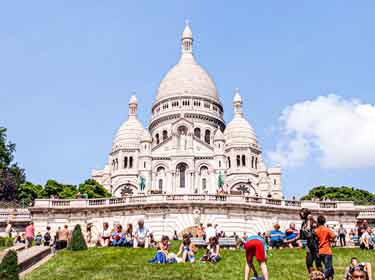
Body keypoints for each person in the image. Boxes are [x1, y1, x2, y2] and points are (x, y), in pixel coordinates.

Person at [300, 208, 321, 274]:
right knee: (308, 262)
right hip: (308, 245)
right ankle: (312, 276)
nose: (301, 214)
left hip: (315, 244)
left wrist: (309, 221)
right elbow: (302, 235)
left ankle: (321, 277)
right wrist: (304, 245)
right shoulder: (303, 223)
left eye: (302, 213)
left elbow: (313, 232)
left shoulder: (314, 222)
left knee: (318, 263)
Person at [315, 215, 336, 280]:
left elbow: (315, 239)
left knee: (331, 269)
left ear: (317, 222)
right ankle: (321, 277)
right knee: (328, 268)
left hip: (319, 251)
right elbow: (334, 235)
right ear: (324, 222)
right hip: (327, 251)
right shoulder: (327, 229)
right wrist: (329, 239)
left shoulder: (316, 230)